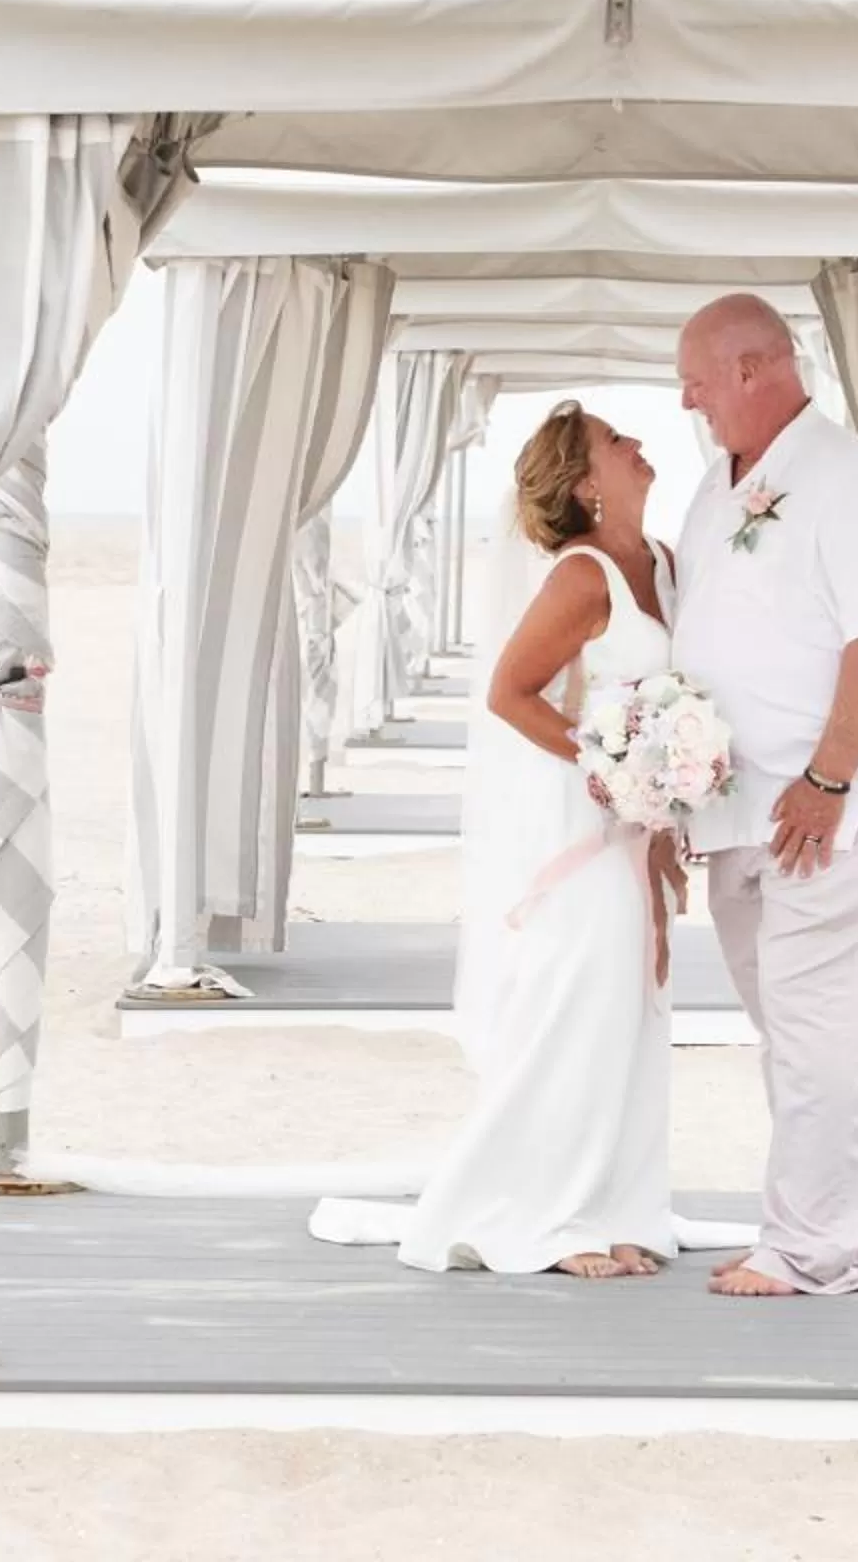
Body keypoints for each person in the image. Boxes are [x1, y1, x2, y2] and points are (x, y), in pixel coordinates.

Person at [311, 401, 684, 1279]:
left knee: (637, 1018)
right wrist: (607, 766)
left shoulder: (664, 563)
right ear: (589, 482)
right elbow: (512, 694)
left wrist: (670, 796)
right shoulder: (581, 576)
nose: (638, 443)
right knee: (580, 1015)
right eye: (616, 440)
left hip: (647, 828)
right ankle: (548, 1215)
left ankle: (618, 1206)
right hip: (589, 828)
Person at [671, 293, 858, 1298]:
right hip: (745, 814)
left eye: (697, 377)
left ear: (752, 369)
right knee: (790, 1030)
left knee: (819, 1029)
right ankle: (807, 1226)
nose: (686, 395)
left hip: (837, 812)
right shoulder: (716, 483)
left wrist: (828, 777)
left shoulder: (851, 480)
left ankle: (812, 1249)